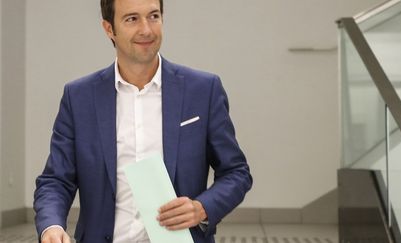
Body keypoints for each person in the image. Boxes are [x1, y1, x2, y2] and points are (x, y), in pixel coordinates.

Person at [33, 0, 252, 242]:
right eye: (132, 19)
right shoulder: (79, 97)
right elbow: (56, 180)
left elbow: (236, 172)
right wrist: (51, 226)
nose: (146, 29)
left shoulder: (203, 90)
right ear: (109, 29)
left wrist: (202, 208)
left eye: (154, 16)